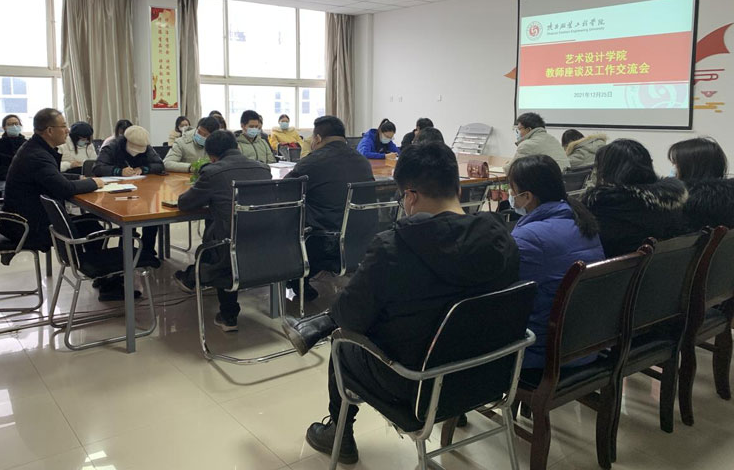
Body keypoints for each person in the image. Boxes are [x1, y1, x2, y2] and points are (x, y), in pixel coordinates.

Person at [284, 143, 520, 464]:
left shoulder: (392, 248)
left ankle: (339, 431)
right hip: (492, 375)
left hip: (415, 387)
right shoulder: (503, 237)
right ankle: (458, 411)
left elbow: (352, 318)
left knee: (342, 343)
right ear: (456, 188)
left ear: (409, 197)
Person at [508, 155, 605, 368]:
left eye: (512, 191)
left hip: (542, 351)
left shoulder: (529, 237)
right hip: (585, 344)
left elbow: (507, 293)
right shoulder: (583, 221)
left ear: (527, 196)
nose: (511, 197)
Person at [173, 130, 272, 331]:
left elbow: (185, 203)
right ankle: (194, 279)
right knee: (226, 233)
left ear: (211, 156)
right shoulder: (263, 169)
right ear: (237, 147)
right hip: (264, 240)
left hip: (229, 247)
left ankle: (195, 278)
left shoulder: (212, 172)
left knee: (218, 239)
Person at [284, 115, 373, 300]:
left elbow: (285, 189)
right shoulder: (362, 161)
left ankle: (295, 275)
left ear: (317, 138)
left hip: (326, 242)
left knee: (289, 215)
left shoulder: (313, 161)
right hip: (362, 239)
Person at [0, 108, 102, 253]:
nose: (67, 131)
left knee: (90, 223)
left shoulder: (36, 148)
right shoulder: (38, 155)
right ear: (50, 131)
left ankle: (84, 262)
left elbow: (52, 176)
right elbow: (64, 189)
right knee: (92, 228)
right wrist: (94, 183)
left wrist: (79, 178)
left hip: (30, 218)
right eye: (63, 126)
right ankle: (86, 264)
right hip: (28, 226)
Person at [583, 139, 687, 258]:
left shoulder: (603, 207)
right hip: (664, 266)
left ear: (607, 170)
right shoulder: (669, 201)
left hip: (615, 268)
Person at [94, 125, 164, 267]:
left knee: (152, 217)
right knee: (128, 218)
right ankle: (126, 253)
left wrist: (143, 169)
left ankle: (147, 253)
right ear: (126, 141)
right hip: (116, 193)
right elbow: (97, 168)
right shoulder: (112, 146)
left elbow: (160, 165)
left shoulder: (147, 148)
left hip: (143, 190)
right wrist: (119, 171)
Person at [668, 137, 734, 231]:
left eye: (675, 164)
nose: (673, 169)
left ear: (689, 168)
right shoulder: (726, 199)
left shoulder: (682, 203)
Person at [504, 113, 570, 173]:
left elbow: (510, 170)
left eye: (519, 129)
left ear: (528, 129)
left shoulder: (527, 145)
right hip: (564, 179)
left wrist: (506, 165)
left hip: (547, 180)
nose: (518, 132)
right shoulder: (552, 139)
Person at [0, 114, 26, 193]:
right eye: (10, 124)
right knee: (11, 189)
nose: (14, 126)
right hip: (4, 180)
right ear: (4, 127)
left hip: (26, 179)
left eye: (16, 124)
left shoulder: (27, 145)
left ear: (20, 125)